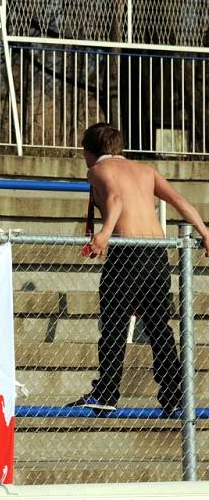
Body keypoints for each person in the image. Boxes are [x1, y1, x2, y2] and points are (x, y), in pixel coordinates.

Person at [68, 123, 209, 415]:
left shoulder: (96, 171)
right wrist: (204, 232)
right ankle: (173, 395)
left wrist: (105, 233)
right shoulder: (145, 170)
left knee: (114, 324)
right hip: (157, 253)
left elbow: (116, 200)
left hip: (127, 252)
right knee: (159, 327)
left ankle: (106, 392)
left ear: (89, 152)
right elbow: (179, 200)